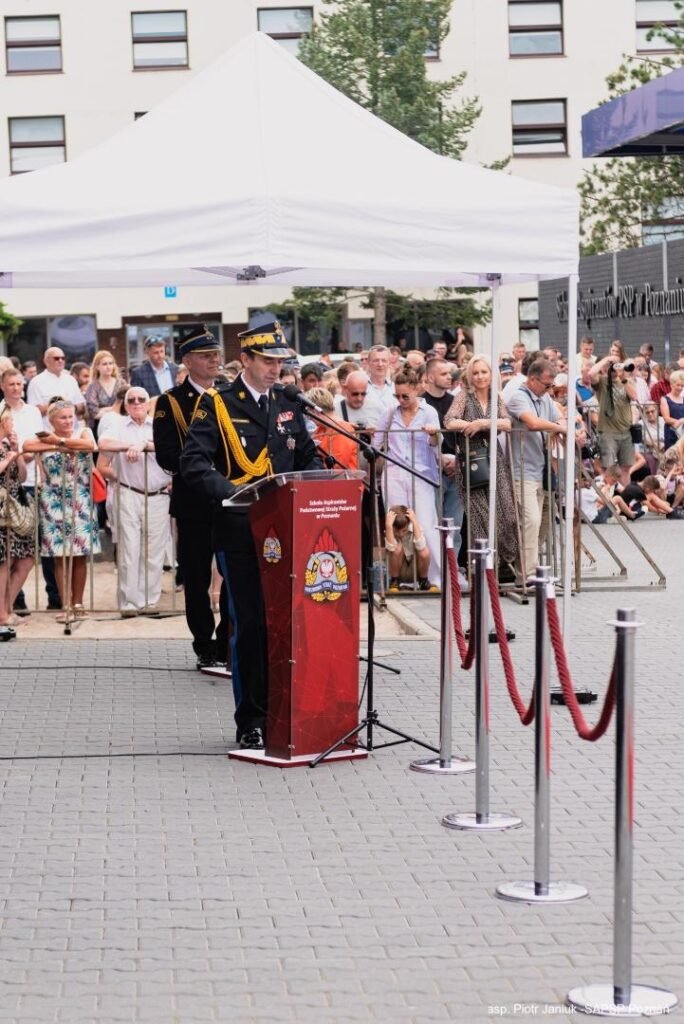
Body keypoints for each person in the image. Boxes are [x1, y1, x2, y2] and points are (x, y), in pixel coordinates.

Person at [180, 321, 323, 751]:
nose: (276, 369)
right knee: (252, 624)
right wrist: (233, 494)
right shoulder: (218, 404)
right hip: (241, 530)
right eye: (267, 361)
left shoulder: (287, 402)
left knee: (288, 624)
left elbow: (307, 456)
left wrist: (321, 486)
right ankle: (252, 720)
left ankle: (290, 711)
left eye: (280, 362)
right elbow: (193, 463)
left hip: (289, 529)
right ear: (245, 359)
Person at [153, 324, 230, 667]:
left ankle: (228, 639)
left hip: (229, 498)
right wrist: (202, 469)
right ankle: (204, 643)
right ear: (187, 360)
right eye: (206, 355)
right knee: (197, 578)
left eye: (216, 354)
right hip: (194, 501)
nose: (214, 360)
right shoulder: (170, 402)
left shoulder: (228, 394)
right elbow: (167, 455)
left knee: (233, 575)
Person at [23, 397, 99, 619]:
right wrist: (58, 444)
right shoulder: (44, 436)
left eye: (70, 416)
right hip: (52, 500)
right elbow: (27, 446)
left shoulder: (83, 432)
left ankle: (78, 603)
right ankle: (65, 605)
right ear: (52, 420)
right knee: (59, 555)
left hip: (80, 498)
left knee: (80, 554)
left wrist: (61, 442)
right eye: (62, 417)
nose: (68, 421)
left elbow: (90, 446)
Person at [98, 387, 171, 616]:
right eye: (131, 400)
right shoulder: (117, 425)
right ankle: (129, 603)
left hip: (159, 494)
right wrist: (130, 446)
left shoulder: (159, 425)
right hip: (129, 492)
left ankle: (149, 601)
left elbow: (173, 448)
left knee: (154, 550)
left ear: (148, 404)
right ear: (125, 404)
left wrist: (144, 445)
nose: (137, 402)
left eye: (141, 399)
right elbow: (103, 444)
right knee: (129, 549)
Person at [445, 356, 517, 578]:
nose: (480, 376)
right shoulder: (464, 396)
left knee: (507, 514)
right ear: (470, 375)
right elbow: (449, 421)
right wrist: (470, 425)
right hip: (471, 462)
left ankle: (502, 564)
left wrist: (482, 423)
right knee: (481, 518)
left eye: (484, 372)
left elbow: (507, 423)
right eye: (475, 373)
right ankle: (483, 569)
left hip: (495, 461)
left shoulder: (496, 398)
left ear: (491, 374)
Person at [373, 369, 441, 586]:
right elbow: (376, 442)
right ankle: (399, 578)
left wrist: (433, 434)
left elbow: (436, 444)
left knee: (426, 524)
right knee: (397, 526)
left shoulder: (428, 412)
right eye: (397, 396)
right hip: (394, 473)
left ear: (416, 389)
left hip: (421, 473)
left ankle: (432, 577)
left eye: (405, 396)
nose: (401, 400)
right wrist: (377, 457)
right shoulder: (390, 413)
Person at [506, 358, 566, 584]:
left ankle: (526, 564)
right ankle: (527, 574)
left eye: (552, 386)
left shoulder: (545, 398)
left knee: (546, 519)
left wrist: (559, 425)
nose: (550, 390)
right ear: (532, 380)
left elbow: (558, 416)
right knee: (531, 520)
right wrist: (558, 428)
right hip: (522, 470)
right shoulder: (519, 397)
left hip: (542, 469)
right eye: (547, 385)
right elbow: (532, 423)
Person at [422, 358, 463, 553]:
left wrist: (457, 460)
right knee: (432, 525)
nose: (449, 377)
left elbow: (463, 436)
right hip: (431, 471)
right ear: (431, 377)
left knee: (455, 526)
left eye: (450, 373)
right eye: (444, 374)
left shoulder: (456, 402)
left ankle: (452, 566)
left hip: (456, 470)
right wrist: (440, 457)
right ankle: (437, 565)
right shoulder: (421, 403)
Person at [0, 408, 35, 628]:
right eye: (10, 420)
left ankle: (6, 608)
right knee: (4, 561)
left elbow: (22, 476)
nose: (13, 423)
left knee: (26, 559)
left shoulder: (6, 446)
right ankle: (2, 614)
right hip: (2, 510)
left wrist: (16, 452)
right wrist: (9, 458)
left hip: (16, 508)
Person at [587, 353, 638, 486]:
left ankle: (625, 495)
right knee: (609, 468)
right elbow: (591, 374)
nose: (616, 368)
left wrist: (623, 378)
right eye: (613, 366)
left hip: (625, 431)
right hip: (608, 432)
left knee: (625, 468)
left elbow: (634, 397)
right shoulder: (602, 381)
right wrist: (607, 360)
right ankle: (608, 495)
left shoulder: (626, 381)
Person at [26, 347, 85, 429]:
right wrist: (60, 405)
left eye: (63, 358)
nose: (60, 361)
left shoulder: (71, 380)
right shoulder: (36, 382)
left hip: (71, 431)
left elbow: (81, 406)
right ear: (46, 361)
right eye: (56, 358)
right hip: (48, 431)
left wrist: (65, 405)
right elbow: (33, 412)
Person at [384, 506, 434, 592]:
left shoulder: (415, 527)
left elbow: (421, 546)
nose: (400, 534)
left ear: (408, 524)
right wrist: (388, 526)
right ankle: (394, 581)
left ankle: (423, 581)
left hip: (415, 570)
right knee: (397, 549)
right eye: (397, 531)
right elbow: (391, 548)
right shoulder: (389, 529)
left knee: (424, 552)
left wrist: (415, 522)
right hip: (397, 570)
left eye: (404, 530)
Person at [306, 387, 358, 469]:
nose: (308, 418)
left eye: (308, 412)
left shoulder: (342, 429)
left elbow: (337, 466)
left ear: (316, 411)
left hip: (343, 476)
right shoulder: (320, 429)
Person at [85, 351, 121, 435]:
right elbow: (94, 413)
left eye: (110, 363)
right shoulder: (93, 387)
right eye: (105, 364)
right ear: (97, 367)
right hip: (100, 426)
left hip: (120, 425)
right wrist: (115, 409)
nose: (108, 367)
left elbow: (126, 407)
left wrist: (104, 409)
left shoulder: (121, 384)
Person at [659, 369, 684, 450]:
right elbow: (666, 418)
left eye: (682, 386)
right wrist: (679, 422)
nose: (680, 388)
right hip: (671, 433)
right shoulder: (665, 399)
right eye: (678, 385)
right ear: (672, 384)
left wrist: (681, 421)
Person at [366, 345, 395, 412]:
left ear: (389, 363)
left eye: (384, 360)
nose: (380, 364)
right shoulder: (361, 388)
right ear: (368, 362)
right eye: (376, 360)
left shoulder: (395, 389)